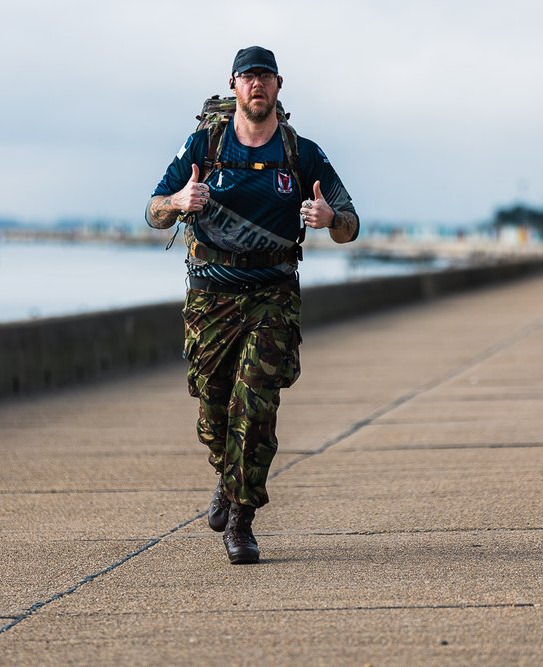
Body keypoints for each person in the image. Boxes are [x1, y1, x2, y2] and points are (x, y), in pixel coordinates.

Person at [145, 46, 360, 564]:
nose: (256, 85)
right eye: (247, 78)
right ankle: (226, 475)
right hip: (210, 296)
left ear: (279, 86)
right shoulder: (204, 145)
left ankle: (241, 520)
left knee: (256, 405)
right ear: (234, 85)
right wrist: (179, 203)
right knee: (213, 410)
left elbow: (351, 225)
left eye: (265, 77)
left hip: (272, 295)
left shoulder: (301, 153)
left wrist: (329, 217)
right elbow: (152, 212)